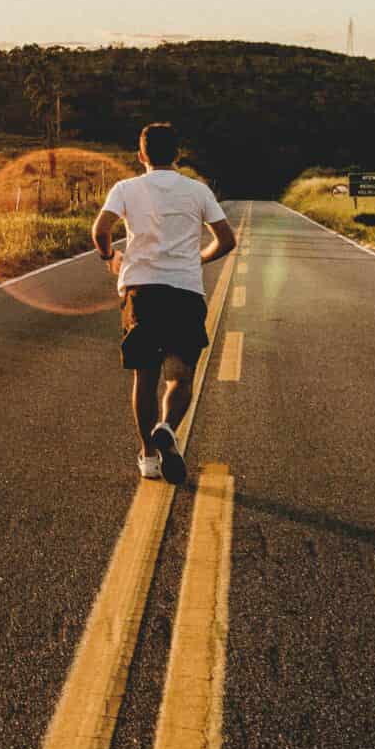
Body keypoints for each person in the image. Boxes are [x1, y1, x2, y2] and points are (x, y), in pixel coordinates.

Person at [92, 123, 235, 483]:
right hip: (183, 291)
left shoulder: (125, 188)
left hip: (140, 291)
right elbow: (227, 240)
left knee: (145, 376)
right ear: (177, 154)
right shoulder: (197, 191)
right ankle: (168, 428)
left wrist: (110, 256)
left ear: (141, 155)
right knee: (180, 375)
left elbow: (100, 229)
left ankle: (148, 457)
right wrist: (198, 258)